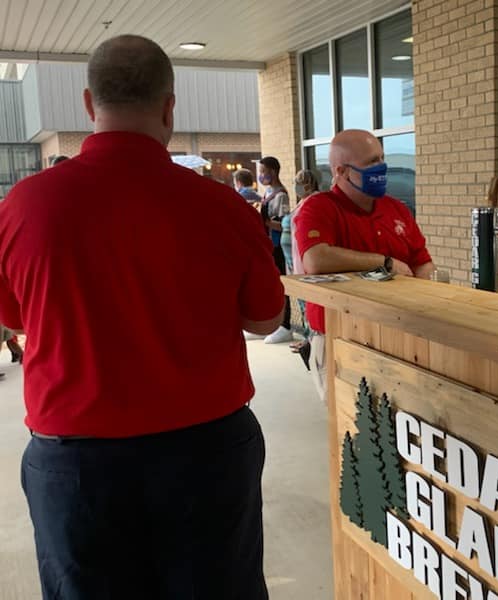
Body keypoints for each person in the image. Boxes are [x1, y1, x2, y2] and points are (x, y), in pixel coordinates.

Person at [0, 35, 284, 599]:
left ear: (88, 104)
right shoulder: (222, 206)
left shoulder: (25, 205)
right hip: (206, 454)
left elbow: (15, 317)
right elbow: (265, 320)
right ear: (169, 106)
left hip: (76, 461)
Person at [294, 129, 434, 400]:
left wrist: (426, 295)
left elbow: (422, 262)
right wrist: (384, 263)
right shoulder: (319, 208)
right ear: (342, 172)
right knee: (352, 428)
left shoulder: (397, 209)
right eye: (371, 162)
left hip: (398, 336)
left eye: (381, 158)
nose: (381, 167)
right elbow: (316, 259)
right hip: (340, 339)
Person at [284, 169, 319, 361]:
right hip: (295, 263)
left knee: (309, 307)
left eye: (300, 181)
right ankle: (308, 339)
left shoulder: (314, 201)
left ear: (309, 183)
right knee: (303, 306)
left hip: (304, 264)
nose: (296, 185)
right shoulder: (302, 202)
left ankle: (311, 342)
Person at [258, 156, 294, 344]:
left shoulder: (281, 195)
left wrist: (266, 222)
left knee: (281, 284)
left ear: (273, 171)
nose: (261, 175)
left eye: (263, 171)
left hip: (278, 246)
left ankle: (285, 324)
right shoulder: (267, 193)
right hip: (266, 245)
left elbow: (284, 224)